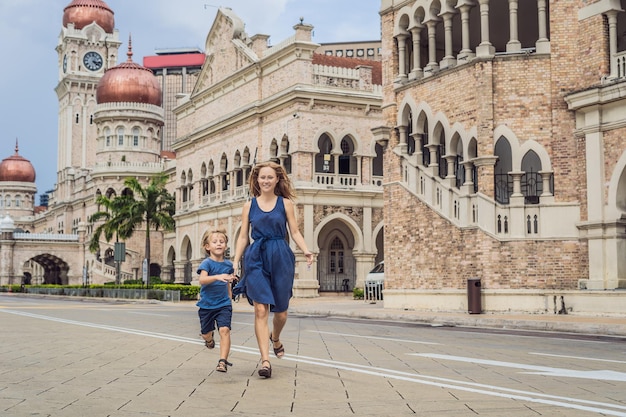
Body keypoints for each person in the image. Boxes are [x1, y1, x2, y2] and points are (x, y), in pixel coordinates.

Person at [233, 161, 314, 379]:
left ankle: (275, 337)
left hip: (280, 254)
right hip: (256, 256)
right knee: (260, 310)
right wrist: (235, 261)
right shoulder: (249, 206)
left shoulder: (285, 204)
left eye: (270, 177)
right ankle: (265, 360)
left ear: (277, 179)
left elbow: (294, 232)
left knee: (281, 312)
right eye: (262, 177)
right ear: (256, 180)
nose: (266, 181)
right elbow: (243, 237)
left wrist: (306, 250)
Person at [197, 229, 236, 373]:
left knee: (225, 330)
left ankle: (222, 361)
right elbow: (202, 280)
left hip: (224, 304)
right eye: (215, 242)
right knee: (206, 333)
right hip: (206, 305)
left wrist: (230, 297)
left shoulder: (229, 265)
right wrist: (218, 277)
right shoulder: (206, 263)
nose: (219, 244)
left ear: (226, 246)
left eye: (222, 242)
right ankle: (208, 339)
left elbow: (228, 284)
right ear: (207, 247)